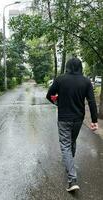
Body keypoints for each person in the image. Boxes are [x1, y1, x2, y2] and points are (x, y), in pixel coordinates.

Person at [46, 57, 98, 192]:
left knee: (65, 146)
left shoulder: (60, 79)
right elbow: (92, 101)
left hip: (64, 118)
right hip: (78, 119)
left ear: (68, 66)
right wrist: (94, 121)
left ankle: (72, 179)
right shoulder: (86, 81)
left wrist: (57, 103)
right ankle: (70, 164)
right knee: (71, 142)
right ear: (80, 67)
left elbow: (49, 95)